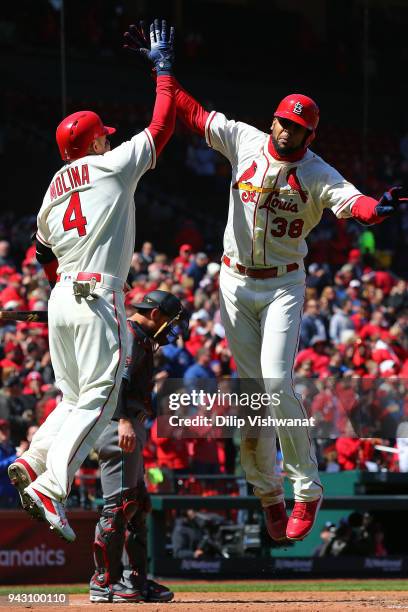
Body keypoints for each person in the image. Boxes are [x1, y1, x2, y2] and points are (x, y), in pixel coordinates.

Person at [123, 22, 408, 543]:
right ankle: (267, 494)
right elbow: (189, 113)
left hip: (281, 285)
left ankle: (306, 488)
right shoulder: (246, 140)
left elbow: (355, 205)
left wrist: (378, 209)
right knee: (254, 397)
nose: (282, 131)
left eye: (293, 127)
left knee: (276, 384)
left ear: (308, 135)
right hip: (233, 280)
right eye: (279, 121)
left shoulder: (318, 172)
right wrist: (163, 70)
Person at [8, 19, 177, 542]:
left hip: (63, 296)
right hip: (96, 294)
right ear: (93, 139)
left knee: (73, 395)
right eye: (104, 132)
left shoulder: (51, 188)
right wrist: (164, 72)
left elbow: (40, 252)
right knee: (100, 399)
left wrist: (64, 289)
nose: (111, 135)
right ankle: (51, 486)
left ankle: (34, 461)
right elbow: (162, 126)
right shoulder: (110, 167)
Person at [89, 290, 188, 603]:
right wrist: (124, 420)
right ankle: (105, 582)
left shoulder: (137, 334)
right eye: (169, 320)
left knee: (135, 503)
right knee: (118, 506)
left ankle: (134, 580)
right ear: (156, 313)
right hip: (119, 425)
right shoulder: (130, 334)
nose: (172, 328)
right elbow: (118, 379)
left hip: (129, 423)